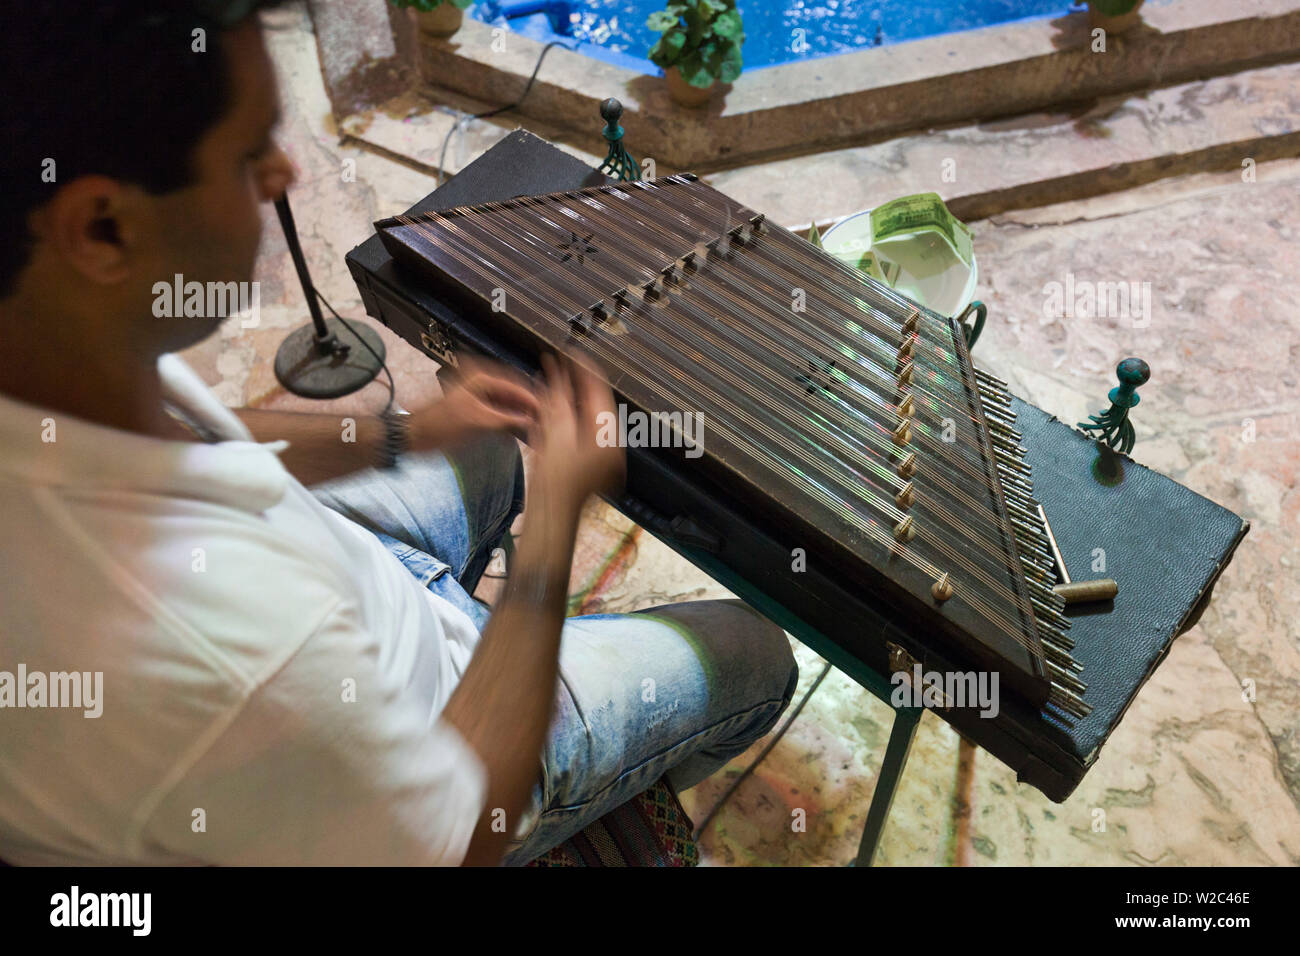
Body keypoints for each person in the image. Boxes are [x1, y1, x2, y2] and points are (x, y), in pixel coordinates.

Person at [0, 1, 798, 865]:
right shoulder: (234, 656)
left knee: (482, 446)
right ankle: (593, 813)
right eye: (247, 153)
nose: (284, 171)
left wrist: (396, 439)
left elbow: (200, 437)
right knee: (755, 656)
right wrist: (557, 521)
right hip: (437, 750)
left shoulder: (55, 342)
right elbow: (462, 833)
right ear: (103, 227)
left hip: (354, 581)